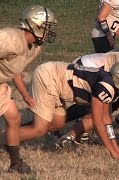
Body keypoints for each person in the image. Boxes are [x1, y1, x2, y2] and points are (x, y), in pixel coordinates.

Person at [1, 61, 119, 161]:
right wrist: (111, 151)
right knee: (40, 129)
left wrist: (116, 147)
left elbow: (106, 119)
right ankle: (6, 140)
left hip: (56, 80)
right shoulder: (106, 86)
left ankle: (11, 137)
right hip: (50, 77)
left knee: (57, 123)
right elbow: (98, 123)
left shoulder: (111, 86)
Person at [0, 5, 57, 174]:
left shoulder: (34, 48)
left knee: (14, 118)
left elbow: (14, 70)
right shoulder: (10, 38)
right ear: (35, 25)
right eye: (46, 28)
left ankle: (15, 163)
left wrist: (25, 95)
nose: (48, 33)